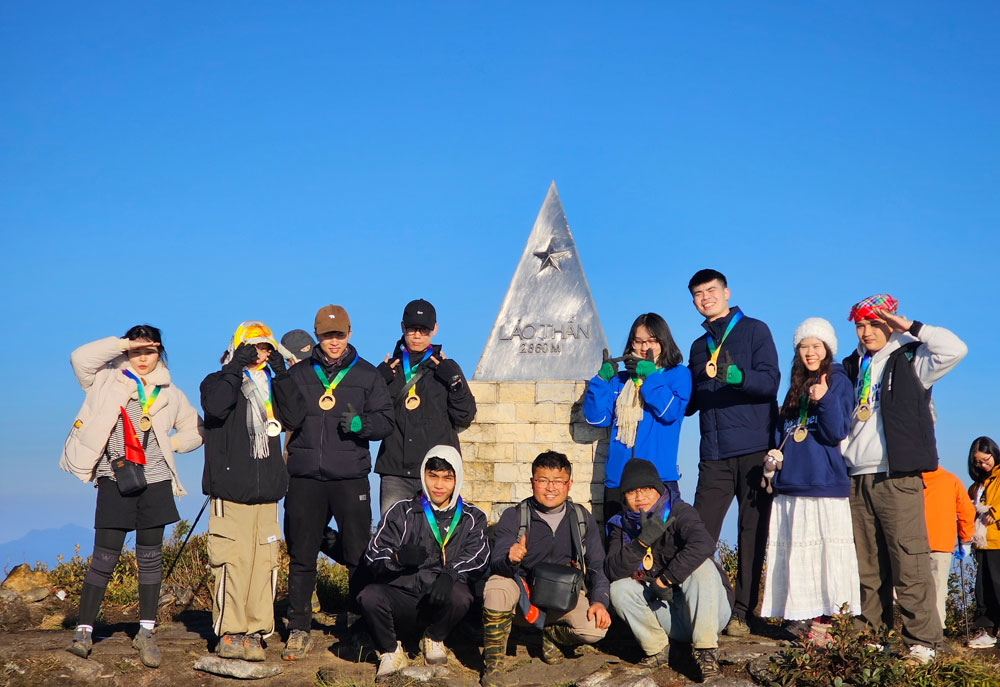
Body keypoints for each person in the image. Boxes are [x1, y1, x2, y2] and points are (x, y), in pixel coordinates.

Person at [61, 326, 202, 666]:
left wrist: (172, 444)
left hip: (155, 482)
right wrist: (124, 343)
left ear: (160, 354)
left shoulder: (171, 393)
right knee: (104, 557)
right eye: (136, 350)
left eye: (149, 351)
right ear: (126, 350)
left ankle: (146, 632)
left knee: (150, 557)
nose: (142, 357)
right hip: (114, 480)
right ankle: (84, 630)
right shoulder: (104, 381)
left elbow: (196, 431)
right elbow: (79, 358)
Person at [841, 293, 966, 664]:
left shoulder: (913, 357)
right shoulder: (853, 365)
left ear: (890, 322)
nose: (866, 332)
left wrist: (910, 327)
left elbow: (956, 348)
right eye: (860, 325)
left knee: (908, 560)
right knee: (867, 563)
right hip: (856, 475)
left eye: (874, 323)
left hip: (897, 474)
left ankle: (922, 641)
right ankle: (871, 636)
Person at [272, 304, 395, 661]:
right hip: (305, 476)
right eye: (327, 336)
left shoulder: (368, 375)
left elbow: (385, 420)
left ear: (350, 334)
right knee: (302, 554)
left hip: (350, 477)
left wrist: (361, 426)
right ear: (317, 337)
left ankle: (359, 624)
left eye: (339, 335)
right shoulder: (299, 374)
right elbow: (282, 414)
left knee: (358, 555)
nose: (334, 342)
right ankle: (298, 628)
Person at [685, 269, 779, 637]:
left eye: (711, 290)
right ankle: (716, 602)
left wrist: (736, 375)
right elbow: (690, 402)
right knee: (699, 532)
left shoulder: (755, 330)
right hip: (713, 453)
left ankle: (743, 611)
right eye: (697, 294)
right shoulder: (697, 347)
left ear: (726, 292)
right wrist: (658, 379)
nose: (705, 297)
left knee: (751, 533)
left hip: (756, 450)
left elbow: (770, 383)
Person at [758, 318, 859, 645]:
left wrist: (824, 398)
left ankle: (826, 620)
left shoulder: (838, 380)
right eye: (804, 346)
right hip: (791, 485)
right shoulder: (795, 385)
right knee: (797, 558)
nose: (810, 352)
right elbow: (783, 431)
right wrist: (774, 458)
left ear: (828, 349)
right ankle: (800, 618)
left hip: (824, 485)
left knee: (825, 556)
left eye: (816, 346)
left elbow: (836, 431)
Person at [481, 451, 611, 687]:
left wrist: (600, 600)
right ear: (532, 482)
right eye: (542, 480)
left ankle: (552, 635)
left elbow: (597, 567)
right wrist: (510, 558)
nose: (550, 488)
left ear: (569, 484)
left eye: (558, 481)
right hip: (523, 600)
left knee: (595, 629)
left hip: (563, 600)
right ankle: (494, 666)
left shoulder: (582, 518)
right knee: (497, 586)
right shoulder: (514, 516)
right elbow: (496, 561)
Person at [201, 322, 291, 661]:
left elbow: (295, 415)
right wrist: (236, 366)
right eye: (253, 347)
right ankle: (230, 631)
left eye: (266, 347)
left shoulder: (273, 385)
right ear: (238, 347)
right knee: (231, 563)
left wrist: (282, 375)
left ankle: (256, 633)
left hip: (267, 492)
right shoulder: (217, 381)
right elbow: (216, 407)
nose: (261, 353)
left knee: (264, 565)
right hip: (230, 492)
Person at [360, 445, 489, 680]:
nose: (439, 485)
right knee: (369, 596)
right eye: (433, 476)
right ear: (423, 475)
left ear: (457, 479)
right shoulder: (401, 511)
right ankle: (391, 651)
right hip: (404, 599)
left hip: (440, 603)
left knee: (461, 596)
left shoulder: (472, 517)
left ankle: (434, 638)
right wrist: (398, 559)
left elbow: (479, 556)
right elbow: (373, 554)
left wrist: (450, 574)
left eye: (447, 478)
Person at [605, 459, 733, 682]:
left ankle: (706, 652)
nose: (640, 497)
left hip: (709, 611)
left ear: (658, 489)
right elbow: (612, 570)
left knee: (702, 566)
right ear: (624, 497)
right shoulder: (620, 526)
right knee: (619, 588)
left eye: (646, 489)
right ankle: (658, 650)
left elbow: (704, 544)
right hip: (669, 616)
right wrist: (641, 543)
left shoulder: (679, 511)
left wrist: (665, 580)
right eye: (632, 491)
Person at [583, 313, 691, 520]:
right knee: (618, 546)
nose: (645, 348)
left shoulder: (677, 374)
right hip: (618, 480)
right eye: (639, 341)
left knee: (660, 545)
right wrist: (600, 381)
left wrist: (649, 377)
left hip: (658, 479)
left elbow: (669, 412)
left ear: (663, 342)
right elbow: (597, 419)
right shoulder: (620, 381)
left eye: (652, 341)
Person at [375, 299, 476, 514]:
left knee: (437, 539)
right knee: (390, 538)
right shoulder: (389, 368)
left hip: (436, 472)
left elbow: (465, 416)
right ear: (403, 327)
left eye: (424, 330)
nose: (417, 335)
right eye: (412, 329)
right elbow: (371, 416)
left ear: (435, 329)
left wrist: (455, 383)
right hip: (395, 472)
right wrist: (378, 381)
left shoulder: (447, 367)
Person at [922, 465, 975, 631]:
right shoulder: (950, 480)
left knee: (911, 589)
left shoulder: (908, 480)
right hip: (941, 542)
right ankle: (936, 631)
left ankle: (914, 631)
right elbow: (966, 511)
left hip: (912, 543)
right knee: (937, 589)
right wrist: (966, 539)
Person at [967, 436, 1000, 648]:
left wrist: (996, 513)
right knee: (983, 588)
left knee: (998, 586)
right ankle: (987, 631)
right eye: (978, 462)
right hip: (982, 541)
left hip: (997, 540)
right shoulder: (977, 485)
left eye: (986, 459)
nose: (984, 464)